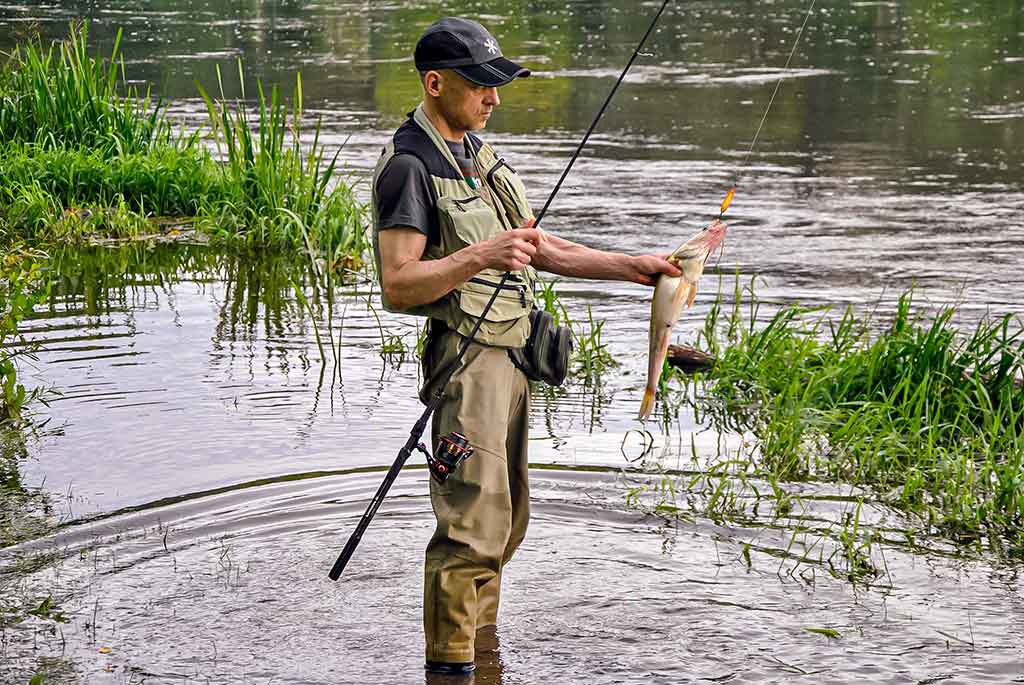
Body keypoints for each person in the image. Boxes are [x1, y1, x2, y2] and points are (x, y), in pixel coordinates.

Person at [371, 16, 683, 676]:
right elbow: (399, 285)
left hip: (513, 358)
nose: (494, 99)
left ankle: (484, 657)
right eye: (481, 86)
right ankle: (450, 669)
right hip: (466, 366)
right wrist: (483, 252)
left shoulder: (478, 153)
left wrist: (635, 266)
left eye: (497, 85)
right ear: (435, 84)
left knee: (506, 526)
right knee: (469, 534)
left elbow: (538, 245)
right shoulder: (409, 168)